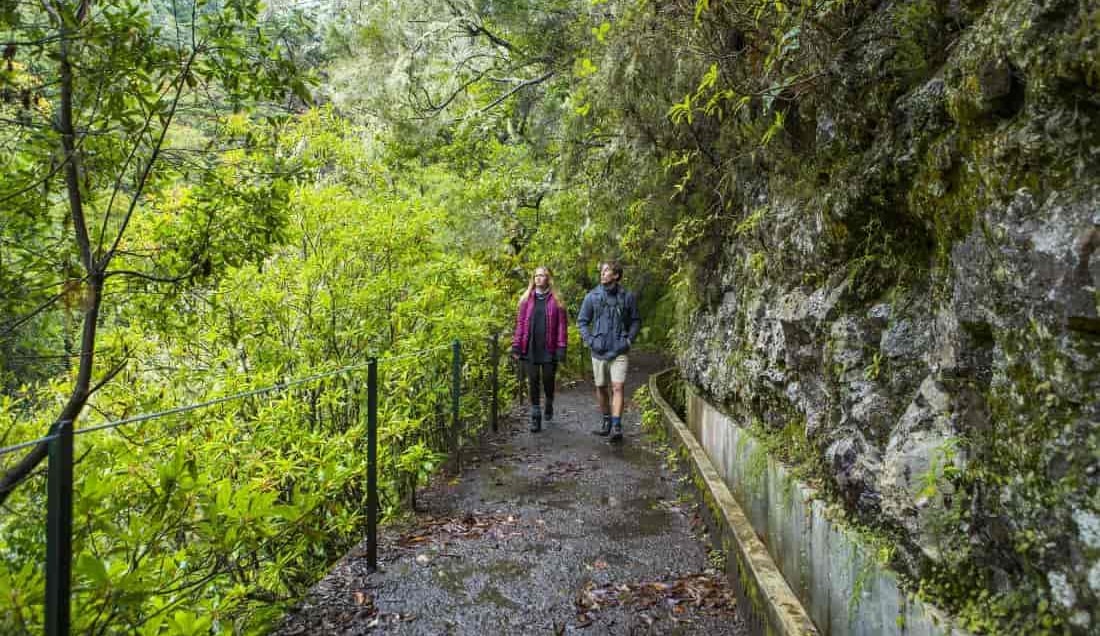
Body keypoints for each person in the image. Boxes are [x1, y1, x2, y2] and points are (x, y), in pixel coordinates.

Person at [577, 260, 641, 442]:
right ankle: (606, 420)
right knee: (601, 387)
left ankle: (617, 425)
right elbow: (582, 321)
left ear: (616, 275)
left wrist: (628, 341)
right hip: (598, 350)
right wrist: (590, 340)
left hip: (620, 349)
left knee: (618, 386)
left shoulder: (627, 297)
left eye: (607, 271)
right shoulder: (592, 297)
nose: (603, 273)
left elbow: (636, 320)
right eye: (602, 270)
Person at [511, 266, 569, 432]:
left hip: (549, 346)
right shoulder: (526, 300)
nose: (538, 278)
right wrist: (516, 345)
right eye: (536, 275)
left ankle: (549, 400)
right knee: (533, 380)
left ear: (548, 279)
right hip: (530, 346)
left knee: (548, 378)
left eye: (542, 275)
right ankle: (535, 415)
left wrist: (561, 347)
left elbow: (562, 327)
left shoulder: (557, 301)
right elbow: (521, 324)